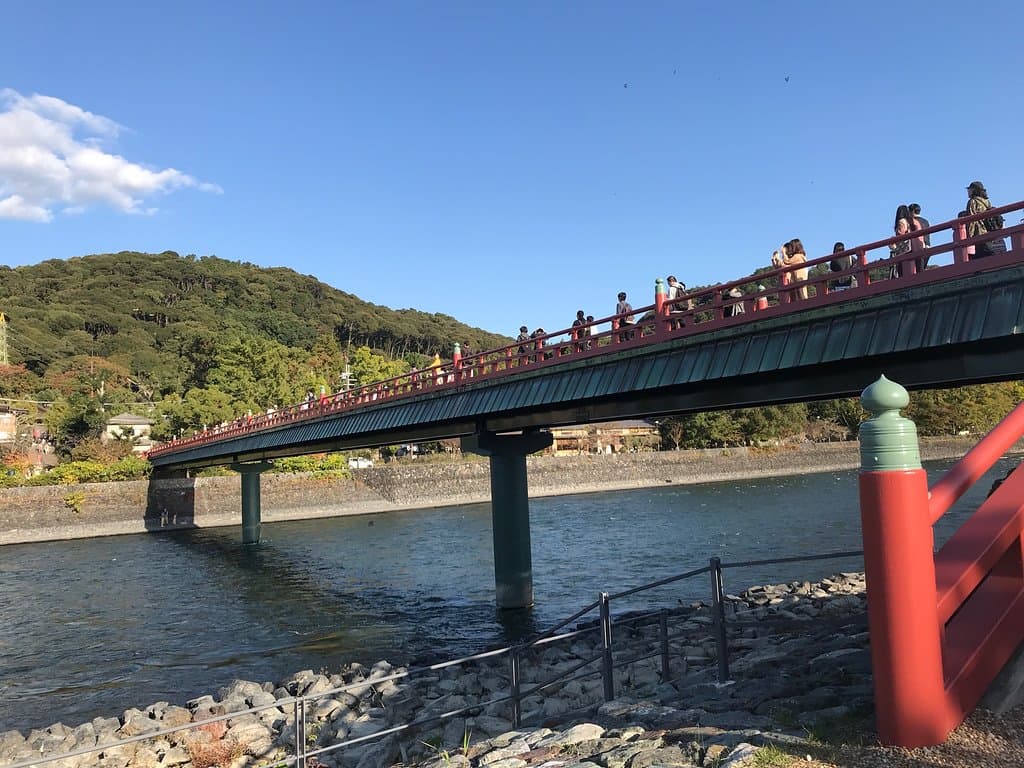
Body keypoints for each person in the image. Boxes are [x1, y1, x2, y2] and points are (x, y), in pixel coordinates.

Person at [966, 181, 1007, 258]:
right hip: (989, 232)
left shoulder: (973, 202)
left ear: (974, 190)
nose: (968, 191)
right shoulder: (987, 202)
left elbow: (971, 220)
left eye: (969, 189)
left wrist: (969, 239)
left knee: (980, 257)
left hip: (979, 233)